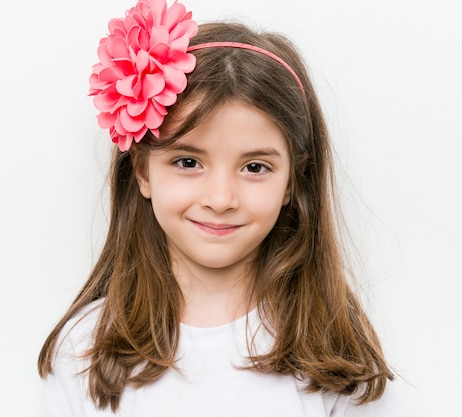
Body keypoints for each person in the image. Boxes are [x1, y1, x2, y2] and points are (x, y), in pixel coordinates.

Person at [38, 0, 403, 415]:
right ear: (142, 171)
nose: (220, 199)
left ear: (292, 181)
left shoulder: (334, 357)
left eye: (254, 167)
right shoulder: (85, 348)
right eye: (188, 162)